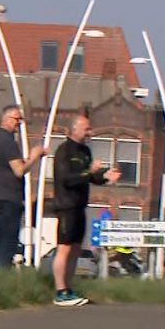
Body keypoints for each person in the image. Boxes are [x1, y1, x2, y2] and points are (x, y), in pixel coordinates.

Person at [52, 114, 121, 306]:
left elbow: (89, 178)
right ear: (75, 129)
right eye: (86, 129)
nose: (90, 132)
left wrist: (105, 176)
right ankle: (60, 291)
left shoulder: (85, 151)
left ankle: (68, 287)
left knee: (75, 249)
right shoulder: (64, 151)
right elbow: (68, 179)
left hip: (80, 206)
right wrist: (90, 171)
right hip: (66, 206)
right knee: (64, 248)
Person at [0, 105, 46, 269]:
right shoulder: (7, 141)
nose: (19, 124)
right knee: (8, 242)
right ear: (6, 119)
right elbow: (19, 170)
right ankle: (2, 277)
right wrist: (33, 158)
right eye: (17, 119)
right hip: (8, 198)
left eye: (21, 120)